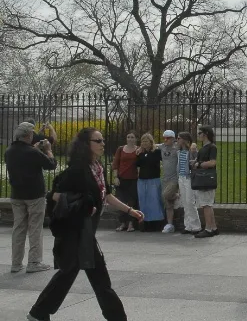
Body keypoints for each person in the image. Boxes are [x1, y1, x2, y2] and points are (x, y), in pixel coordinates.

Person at [27, 127, 143, 321]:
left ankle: (38, 313)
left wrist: (130, 211)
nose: (102, 144)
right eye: (98, 141)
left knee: (74, 275)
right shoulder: (76, 170)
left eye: (103, 140)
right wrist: (82, 203)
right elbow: (54, 195)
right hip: (75, 232)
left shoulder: (97, 168)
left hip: (86, 232)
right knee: (94, 279)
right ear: (85, 145)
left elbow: (106, 195)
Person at [4, 122, 58, 274]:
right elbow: (51, 164)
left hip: (17, 195)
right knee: (35, 228)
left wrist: (35, 150)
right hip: (34, 195)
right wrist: (48, 150)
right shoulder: (32, 152)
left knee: (18, 229)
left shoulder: (9, 151)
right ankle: (34, 262)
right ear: (28, 135)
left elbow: (23, 160)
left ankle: (16, 263)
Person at [192, 126, 218, 238]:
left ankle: (208, 229)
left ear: (206, 133)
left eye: (200, 133)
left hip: (206, 178)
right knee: (208, 204)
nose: (198, 135)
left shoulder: (212, 147)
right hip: (203, 178)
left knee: (206, 204)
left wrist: (199, 164)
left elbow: (212, 162)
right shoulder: (203, 148)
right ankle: (213, 227)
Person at [135, 133, 165, 230]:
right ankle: (145, 223)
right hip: (142, 180)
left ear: (151, 142)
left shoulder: (156, 152)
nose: (144, 143)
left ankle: (156, 223)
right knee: (143, 202)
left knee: (154, 201)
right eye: (143, 141)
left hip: (153, 180)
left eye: (146, 141)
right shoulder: (140, 153)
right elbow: (137, 165)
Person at [111, 132, 139, 232]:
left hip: (133, 179)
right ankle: (122, 223)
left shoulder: (138, 149)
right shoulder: (120, 149)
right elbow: (115, 164)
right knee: (121, 201)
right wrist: (115, 177)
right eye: (128, 137)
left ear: (136, 139)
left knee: (132, 202)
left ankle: (131, 223)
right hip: (121, 178)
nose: (130, 139)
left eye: (132, 137)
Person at [176, 132, 201, 234]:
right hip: (181, 177)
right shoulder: (179, 151)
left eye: (179, 138)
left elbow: (197, 158)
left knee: (190, 201)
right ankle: (188, 225)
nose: (177, 140)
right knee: (185, 202)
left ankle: (196, 226)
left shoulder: (191, 151)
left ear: (185, 140)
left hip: (189, 178)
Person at [158, 130, 180, 233]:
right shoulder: (162, 147)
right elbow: (151, 145)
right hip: (165, 178)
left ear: (173, 139)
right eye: (164, 138)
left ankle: (177, 195)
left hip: (174, 178)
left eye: (167, 138)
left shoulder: (177, 148)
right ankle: (170, 224)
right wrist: (140, 148)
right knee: (168, 203)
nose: (165, 140)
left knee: (166, 195)